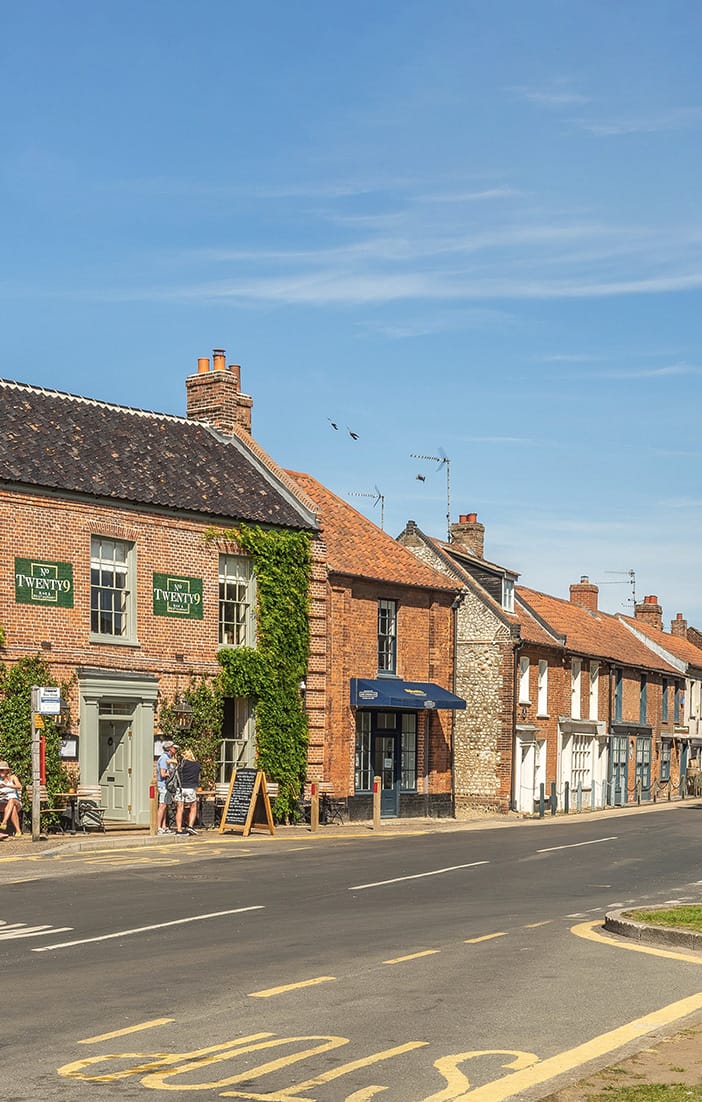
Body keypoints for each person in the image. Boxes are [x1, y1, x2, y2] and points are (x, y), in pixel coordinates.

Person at [175, 748, 201, 836]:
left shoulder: (181, 764)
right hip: (191, 788)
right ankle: (190, 826)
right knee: (193, 806)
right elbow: (198, 776)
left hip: (180, 788)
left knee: (180, 808)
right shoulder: (197, 764)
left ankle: (179, 829)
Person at [156, 740, 179, 835]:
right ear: (170, 749)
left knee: (165, 806)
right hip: (163, 785)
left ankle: (164, 826)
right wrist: (170, 773)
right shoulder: (164, 758)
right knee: (162, 806)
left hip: (167, 786)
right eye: (174, 748)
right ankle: (159, 827)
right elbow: (162, 774)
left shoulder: (168, 757)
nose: (176, 750)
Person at [0, 761, 23, 836]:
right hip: (4, 802)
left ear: (7, 771)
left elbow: (19, 786)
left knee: (12, 800)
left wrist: (7, 786)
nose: (2, 772)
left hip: (16, 802)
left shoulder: (13, 778)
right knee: (12, 808)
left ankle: (4, 822)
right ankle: (18, 831)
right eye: (0, 770)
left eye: (3, 770)